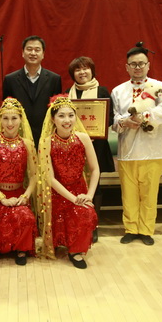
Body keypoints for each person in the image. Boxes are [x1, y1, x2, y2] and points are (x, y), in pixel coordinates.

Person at [111, 44, 162, 246]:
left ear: (148, 65)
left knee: (149, 193)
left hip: (152, 149)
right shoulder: (118, 91)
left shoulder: (160, 87)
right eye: (133, 64)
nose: (137, 67)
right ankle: (131, 228)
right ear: (126, 67)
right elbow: (114, 118)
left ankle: (146, 230)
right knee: (128, 193)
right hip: (127, 149)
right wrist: (124, 121)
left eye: (141, 64)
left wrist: (144, 116)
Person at [38, 95, 99, 269]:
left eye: (71, 115)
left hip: (80, 191)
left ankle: (76, 250)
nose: (67, 120)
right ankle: (61, 242)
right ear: (53, 119)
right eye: (61, 116)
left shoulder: (83, 138)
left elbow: (95, 169)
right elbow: (50, 178)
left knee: (85, 212)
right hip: (57, 194)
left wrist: (89, 196)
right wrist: (73, 199)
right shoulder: (46, 142)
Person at [0, 97, 38, 265]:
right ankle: (5, 248)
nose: (10, 123)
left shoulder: (27, 144)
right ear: (0, 120)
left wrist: (26, 196)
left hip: (19, 194)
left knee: (25, 216)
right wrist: (2, 198)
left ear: (21, 120)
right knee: (2, 217)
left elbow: (34, 175)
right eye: (5, 118)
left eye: (14, 118)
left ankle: (21, 249)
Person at [66, 56, 115, 242]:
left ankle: (93, 225)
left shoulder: (102, 91)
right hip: (73, 147)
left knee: (95, 185)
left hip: (96, 146)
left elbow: (110, 117)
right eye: (78, 70)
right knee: (75, 183)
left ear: (92, 71)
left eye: (85, 68)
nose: (82, 72)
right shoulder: (67, 93)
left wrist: (95, 131)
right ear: (73, 74)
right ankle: (76, 223)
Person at [2, 35, 62, 146]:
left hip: (46, 135)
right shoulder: (10, 79)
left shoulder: (54, 79)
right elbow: (6, 110)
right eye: (29, 49)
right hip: (18, 134)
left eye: (37, 50)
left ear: (43, 54)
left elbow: (57, 111)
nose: (33, 53)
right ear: (22, 53)